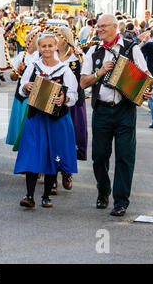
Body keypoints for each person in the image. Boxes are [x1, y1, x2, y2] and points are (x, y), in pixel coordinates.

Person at [80, 14, 153, 217]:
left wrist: (148, 89)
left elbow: (146, 77)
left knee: (125, 156)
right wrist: (100, 71)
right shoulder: (93, 51)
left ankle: (121, 202)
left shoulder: (131, 48)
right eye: (98, 26)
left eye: (104, 26)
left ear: (115, 27)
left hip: (125, 110)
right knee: (99, 157)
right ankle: (103, 191)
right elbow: (83, 82)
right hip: (102, 110)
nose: (99, 29)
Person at [14, 33, 78, 209]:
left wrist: (63, 98)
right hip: (36, 118)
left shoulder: (65, 70)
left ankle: (47, 195)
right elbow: (21, 91)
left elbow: (74, 95)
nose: (47, 49)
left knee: (54, 155)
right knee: (33, 154)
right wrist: (26, 87)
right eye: (43, 46)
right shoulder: (33, 67)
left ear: (56, 47)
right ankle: (29, 195)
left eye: (50, 46)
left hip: (57, 119)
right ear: (39, 48)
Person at [55, 26, 88, 193]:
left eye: (58, 36)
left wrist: (80, 57)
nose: (55, 39)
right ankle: (51, 174)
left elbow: (83, 78)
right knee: (54, 138)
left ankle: (67, 172)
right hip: (53, 103)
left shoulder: (76, 59)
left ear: (65, 39)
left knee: (71, 138)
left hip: (73, 104)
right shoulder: (50, 57)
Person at [6, 30, 40, 147]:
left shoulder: (40, 56)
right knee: (20, 123)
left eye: (29, 41)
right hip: (21, 94)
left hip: (35, 96)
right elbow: (13, 77)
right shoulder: (21, 56)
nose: (27, 44)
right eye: (26, 42)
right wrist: (17, 71)